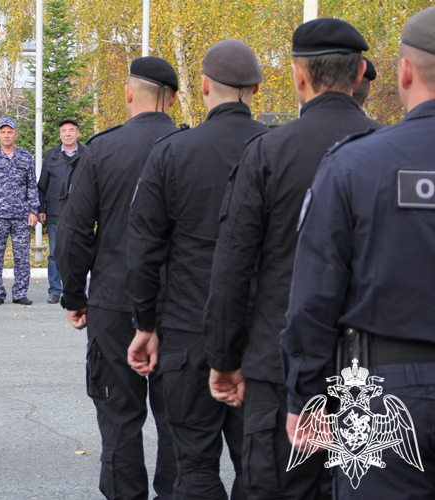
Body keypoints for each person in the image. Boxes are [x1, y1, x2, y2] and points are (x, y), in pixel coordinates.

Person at [203, 18, 382, 500]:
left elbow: (233, 267)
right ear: (361, 72)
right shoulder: (388, 152)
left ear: (300, 77)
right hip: (370, 372)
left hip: (277, 368)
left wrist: (223, 359)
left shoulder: (269, 153)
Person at [281, 7, 435, 498]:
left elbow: (314, 295)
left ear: (405, 72)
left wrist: (305, 397)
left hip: (383, 391)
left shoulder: (355, 164)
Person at [126, 40, 267, 500]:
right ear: (256, 90)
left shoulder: (173, 152)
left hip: (187, 333)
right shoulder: (274, 149)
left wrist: (145, 323)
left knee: (194, 467)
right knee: (260, 470)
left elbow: (144, 249)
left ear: (204, 86)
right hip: (260, 338)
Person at [57, 56, 180, 500]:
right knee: (175, 421)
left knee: (119, 417)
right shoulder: (186, 146)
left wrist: (74, 295)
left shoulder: (101, 150)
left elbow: (73, 232)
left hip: (112, 300)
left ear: (129, 94)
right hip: (175, 305)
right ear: (174, 98)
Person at [0, 117, 39, 306]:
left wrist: (33, 210)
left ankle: (20, 292)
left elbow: (31, 186)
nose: (6, 135)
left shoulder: (25, 157)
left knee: (21, 257)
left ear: (16, 134)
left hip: (21, 216)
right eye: (3, 132)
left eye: (10, 132)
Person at [38, 119, 85, 305]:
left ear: (77, 133)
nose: (67, 134)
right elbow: (42, 186)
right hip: (55, 211)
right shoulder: (51, 156)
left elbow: (96, 184)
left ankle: (77, 291)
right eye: (64, 131)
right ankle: (55, 290)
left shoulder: (88, 155)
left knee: (79, 253)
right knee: (56, 253)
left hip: (81, 213)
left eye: (71, 130)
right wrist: (40, 208)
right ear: (60, 135)